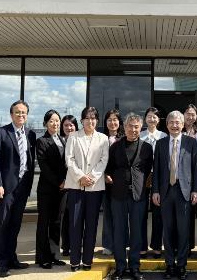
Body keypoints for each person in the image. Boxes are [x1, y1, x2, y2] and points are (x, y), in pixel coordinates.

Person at [152, 110, 197, 280]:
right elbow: (157, 169)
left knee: (183, 230)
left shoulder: (191, 142)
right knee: (167, 230)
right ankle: (169, 264)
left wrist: (196, 190)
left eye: (177, 122)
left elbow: (196, 168)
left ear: (183, 124)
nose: (174, 125)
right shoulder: (160, 143)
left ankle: (181, 265)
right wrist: (155, 191)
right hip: (165, 192)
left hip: (184, 191)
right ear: (167, 125)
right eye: (171, 122)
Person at [0, 100, 36, 278]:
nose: (21, 115)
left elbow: (30, 161)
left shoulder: (30, 134)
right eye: (17, 112)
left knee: (15, 225)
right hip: (5, 188)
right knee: (2, 225)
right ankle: (1, 263)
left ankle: (11, 258)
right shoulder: (1, 133)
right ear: (11, 114)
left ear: (27, 115)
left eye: (24, 112)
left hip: (22, 188)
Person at [105, 113, 153, 280]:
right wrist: (108, 177)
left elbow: (148, 170)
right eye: (130, 126)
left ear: (141, 128)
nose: (133, 129)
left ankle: (134, 267)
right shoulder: (115, 147)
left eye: (136, 127)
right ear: (124, 127)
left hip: (138, 196)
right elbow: (109, 168)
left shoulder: (147, 148)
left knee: (137, 233)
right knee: (119, 231)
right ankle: (120, 267)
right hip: (118, 195)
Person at [64, 107, 109, 271]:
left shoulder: (103, 138)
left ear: (97, 120)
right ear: (82, 120)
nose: (90, 121)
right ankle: (74, 261)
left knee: (91, 225)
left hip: (94, 188)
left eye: (93, 118)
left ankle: (87, 260)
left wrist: (92, 177)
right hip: (76, 186)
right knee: (75, 224)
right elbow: (69, 159)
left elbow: (104, 160)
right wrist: (80, 177)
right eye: (87, 118)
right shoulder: (73, 137)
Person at [35, 110, 67, 269]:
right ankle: (43, 258)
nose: (55, 124)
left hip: (62, 189)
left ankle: (54, 255)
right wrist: (58, 182)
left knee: (56, 222)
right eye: (51, 121)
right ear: (45, 124)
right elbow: (44, 167)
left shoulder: (63, 140)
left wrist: (66, 181)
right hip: (47, 189)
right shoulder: (41, 141)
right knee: (44, 223)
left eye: (57, 120)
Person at [139, 107, 168, 259]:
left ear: (159, 119)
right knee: (141, 213)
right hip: (142, 177)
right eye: (149, 116)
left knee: (158, 214)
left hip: (159, 178)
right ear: (145, 119)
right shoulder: (140, 135)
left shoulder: (164, 136)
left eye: (154, 117)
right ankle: (141, 247)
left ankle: (157, 246)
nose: (152, 119)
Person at [101, 109, 125, 256]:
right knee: (108, 214)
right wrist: (104, 175)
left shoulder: (124, 139)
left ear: (119, 122)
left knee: (120, 214)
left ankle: (121, 243)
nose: (112, 122)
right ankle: (108, 244)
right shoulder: (101, 138)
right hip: (104, 181)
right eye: (109, 119)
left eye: (115, 119)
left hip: (120, 182)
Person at [182, 103, 197, 253]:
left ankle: (188, 245)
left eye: (193, 114)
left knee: (189, 214)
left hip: (194, 176)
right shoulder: (177, 130)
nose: (190, 117)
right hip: (179, 177)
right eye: (188, 114)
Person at [60, 114, 79, 257]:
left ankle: (76, 245)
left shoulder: (79, 141)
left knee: (76, 217)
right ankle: (66, 246)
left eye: (71, 125)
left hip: (77, 183)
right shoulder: (59, 141)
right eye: (66, 125)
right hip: (63, 186)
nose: (69, 127)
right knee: (65, 217)